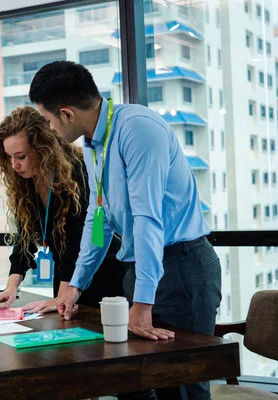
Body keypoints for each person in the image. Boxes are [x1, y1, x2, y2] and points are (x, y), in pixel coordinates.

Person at [29, 61, 221, 400]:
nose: (50, 128)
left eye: (48, 120)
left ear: (67, 113)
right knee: (138, 382)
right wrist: (76, 285)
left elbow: (148, 217)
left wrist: (143, 301)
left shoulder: (137, 129)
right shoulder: (92, 143)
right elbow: (97, 217)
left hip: (181, 269)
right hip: (141, 267)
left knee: (182, 385)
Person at [0, 106, 127, 313]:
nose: (14, 165)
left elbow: (76, 240)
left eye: (21, 156)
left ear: (43, 149)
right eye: (9, 157)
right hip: (65, 276)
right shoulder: (27, 182)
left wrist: (62, 296)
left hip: (100, 273)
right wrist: (11, 286)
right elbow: (25, 234)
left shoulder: (77, 172)